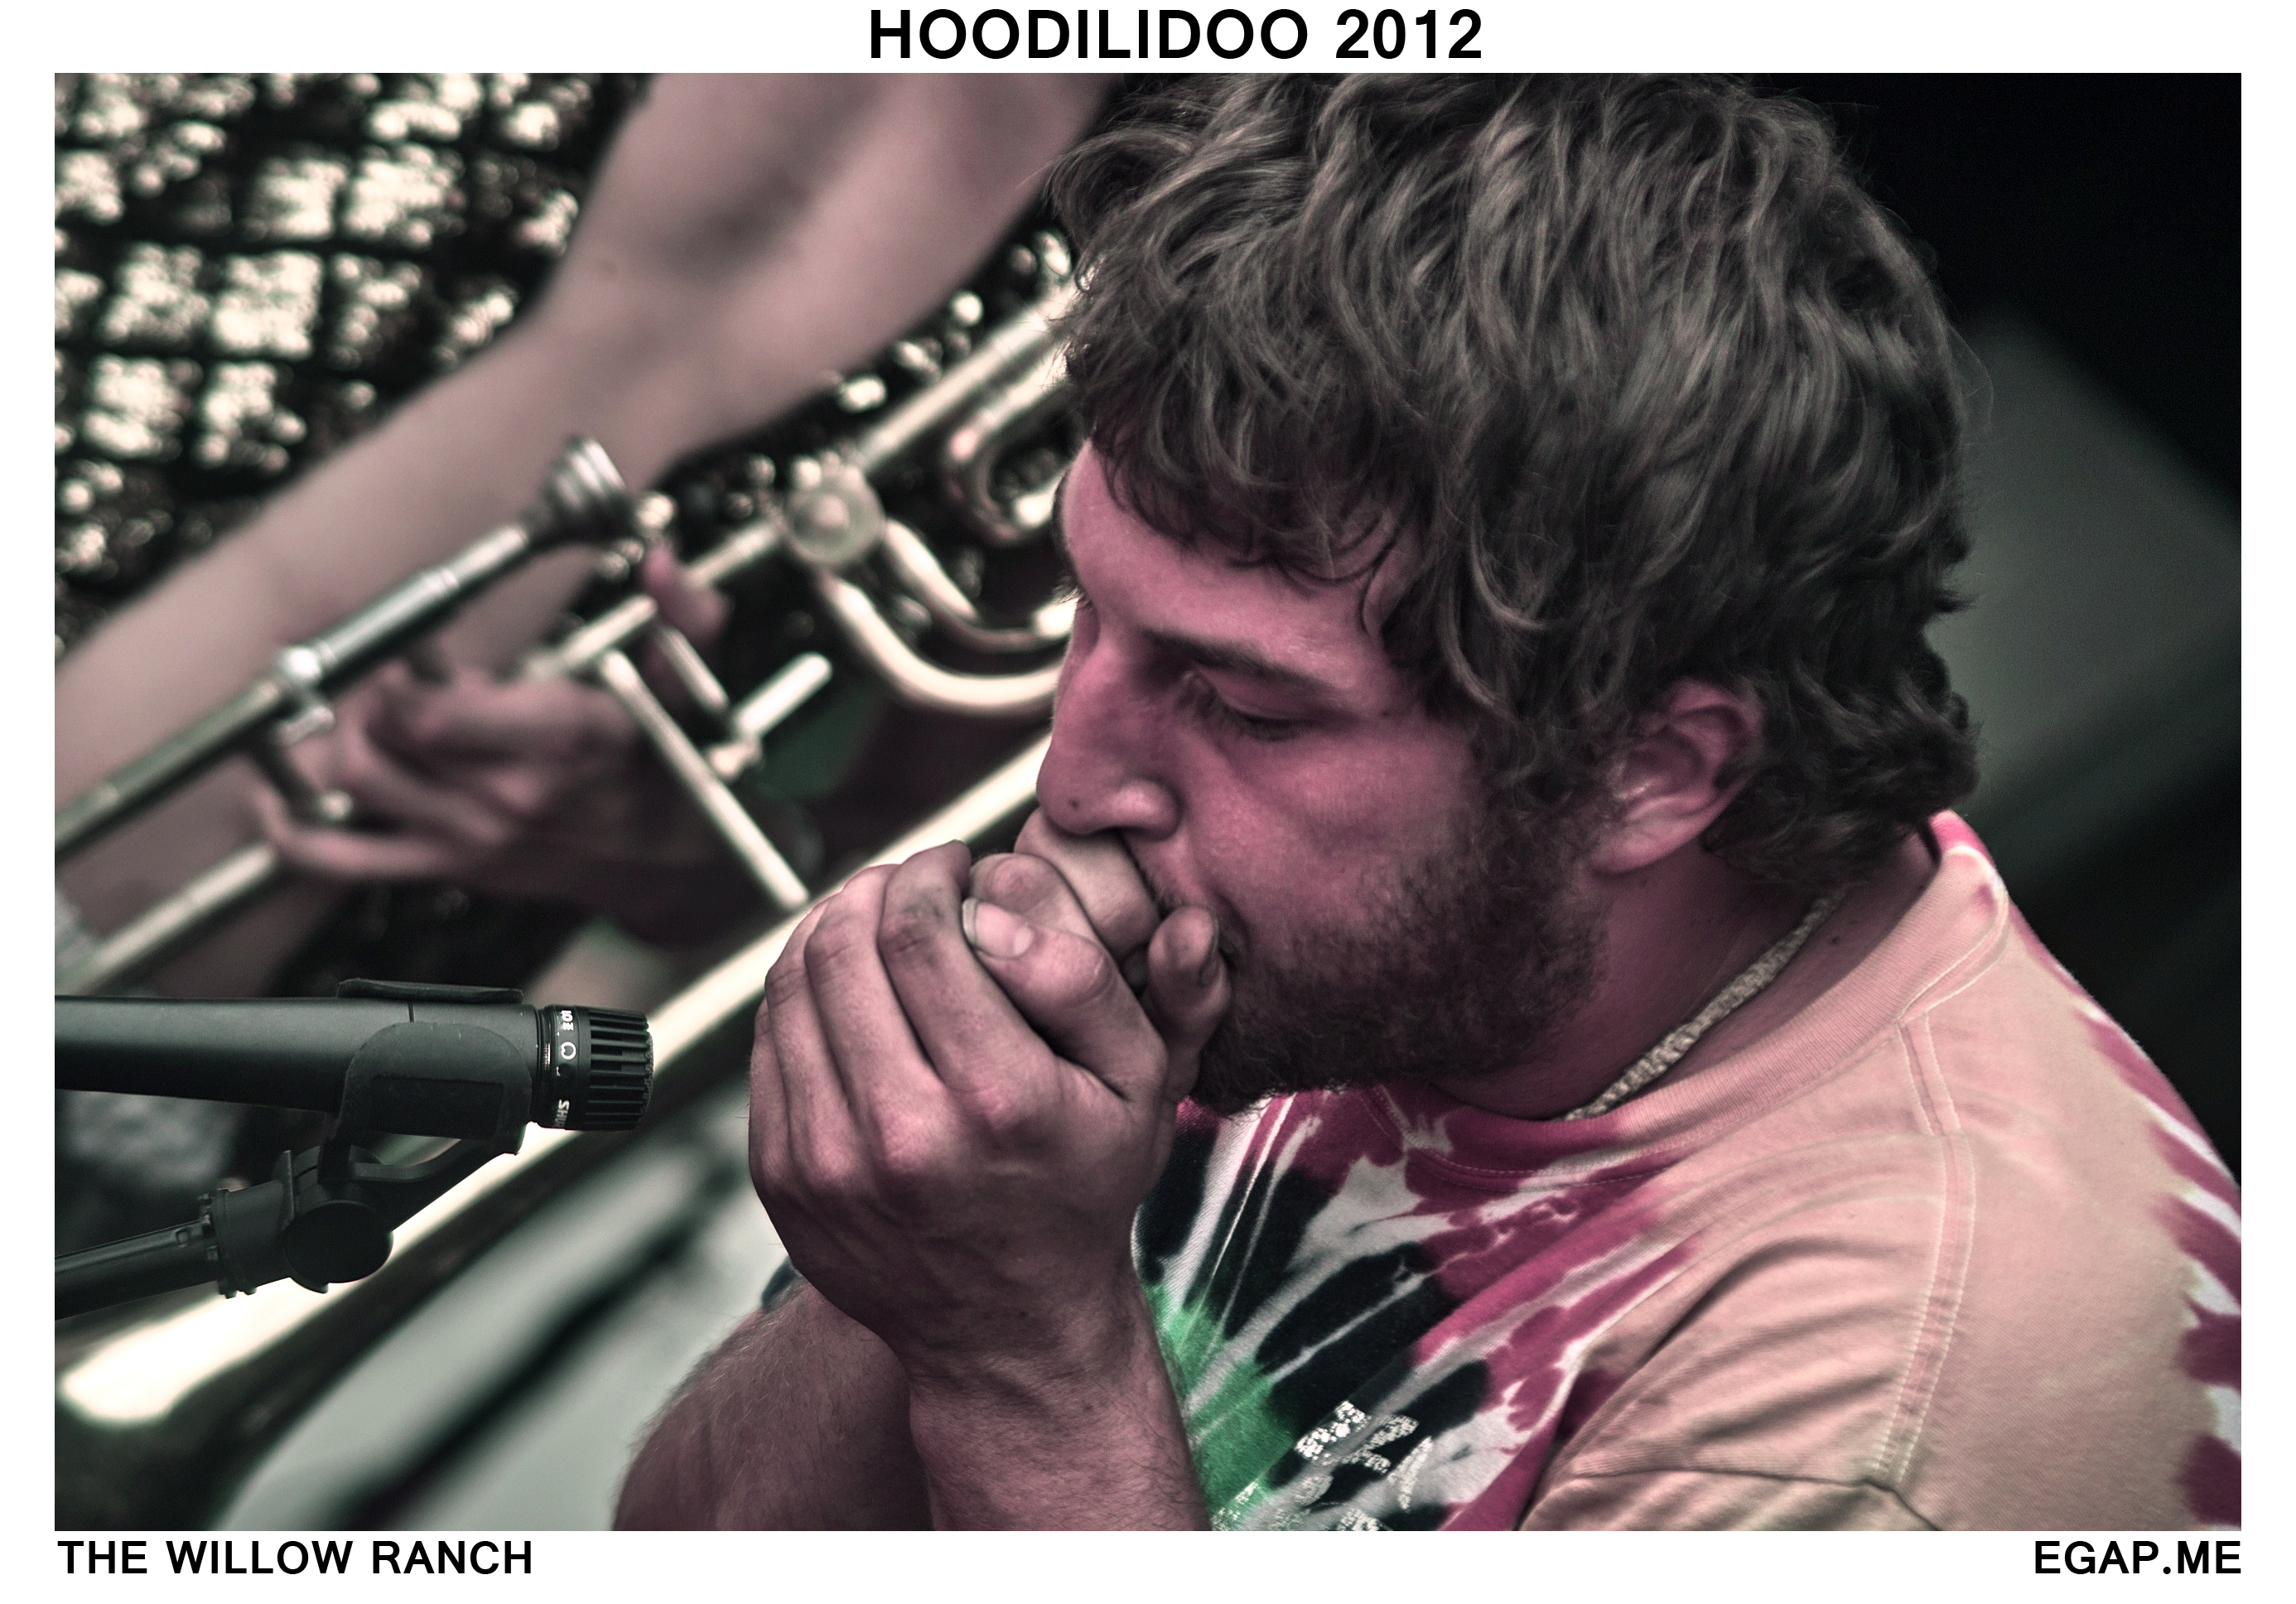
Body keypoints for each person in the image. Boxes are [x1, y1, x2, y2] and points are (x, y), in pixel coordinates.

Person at [604, 73, 2241, 1529]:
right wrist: (921, 1272)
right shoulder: (1322, 935)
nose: (1073, 781)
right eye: (1086, 616)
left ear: (1653, 770)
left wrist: (1026, 1364)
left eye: (1247, 704)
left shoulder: (1901, 1415)